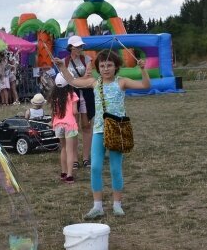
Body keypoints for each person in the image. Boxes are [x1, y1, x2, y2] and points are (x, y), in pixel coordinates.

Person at [55, 49, 150, 219]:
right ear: (98, 68)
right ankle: (97, 206)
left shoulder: (122, 82)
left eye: (110, 65)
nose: (106, 69)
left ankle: (117, 205)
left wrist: (143, 69)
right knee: (96, 167)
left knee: (115, 168)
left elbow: (145, 85)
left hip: (116, 131)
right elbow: (72, 81)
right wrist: (63, 67)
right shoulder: (94, 83)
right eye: (102, 65)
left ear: (116, 67)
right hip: (99, 131)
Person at [64, 35, 95, 171]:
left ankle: (86, 158)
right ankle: (75, 159)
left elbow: (88, 77)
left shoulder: (87, 59)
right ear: (71, 47)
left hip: (86, 95)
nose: (80, 48)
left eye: (81, 46)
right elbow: (65, 79)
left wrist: (74, 80)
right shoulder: (65, 61)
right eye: (77, 46)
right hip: (71, 96)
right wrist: (79, 80)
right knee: (73, 127)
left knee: (86, 125)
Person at [49, 73, 79, 184]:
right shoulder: (72, 95)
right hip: (69, 125)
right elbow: (75, 112)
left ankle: (63, 172)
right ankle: (70, 175)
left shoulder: (54, 96)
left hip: (58, 125)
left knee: (63, 148)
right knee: (70, 150)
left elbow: (53, 113)